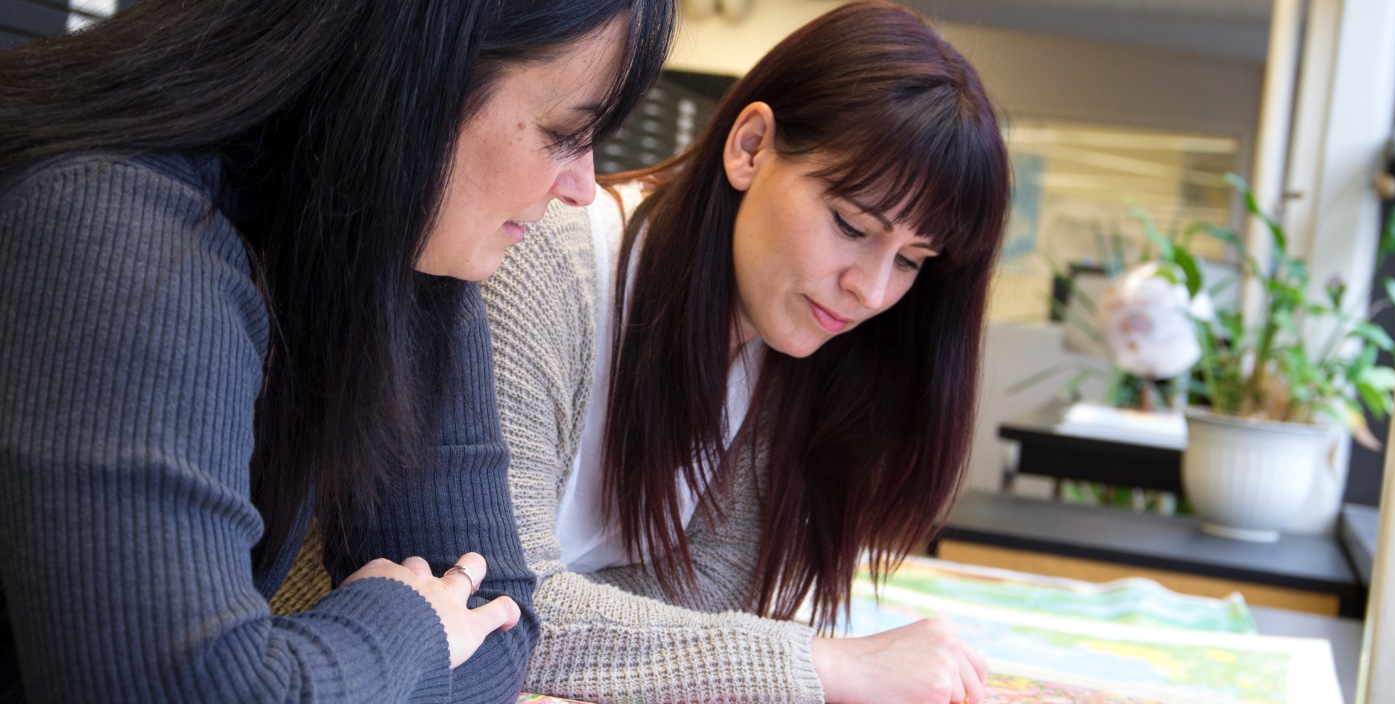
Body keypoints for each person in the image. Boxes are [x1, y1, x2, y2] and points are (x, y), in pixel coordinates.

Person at [0, 0, 674, 701]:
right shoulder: (113, 230)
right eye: (564, 132)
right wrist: (407, 623)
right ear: (415, 77)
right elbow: (183, 689)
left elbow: (496, 635)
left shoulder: (412, 258)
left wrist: (326, 666)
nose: (582, 187)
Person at [481, 2, 1010, 702]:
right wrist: (828, 664)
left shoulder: (790, 347)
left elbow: (694, 619)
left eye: (912, 260)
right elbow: (495, 612)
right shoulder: (542, 268)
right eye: (851, 224)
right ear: (751, 147)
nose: (869, 290)